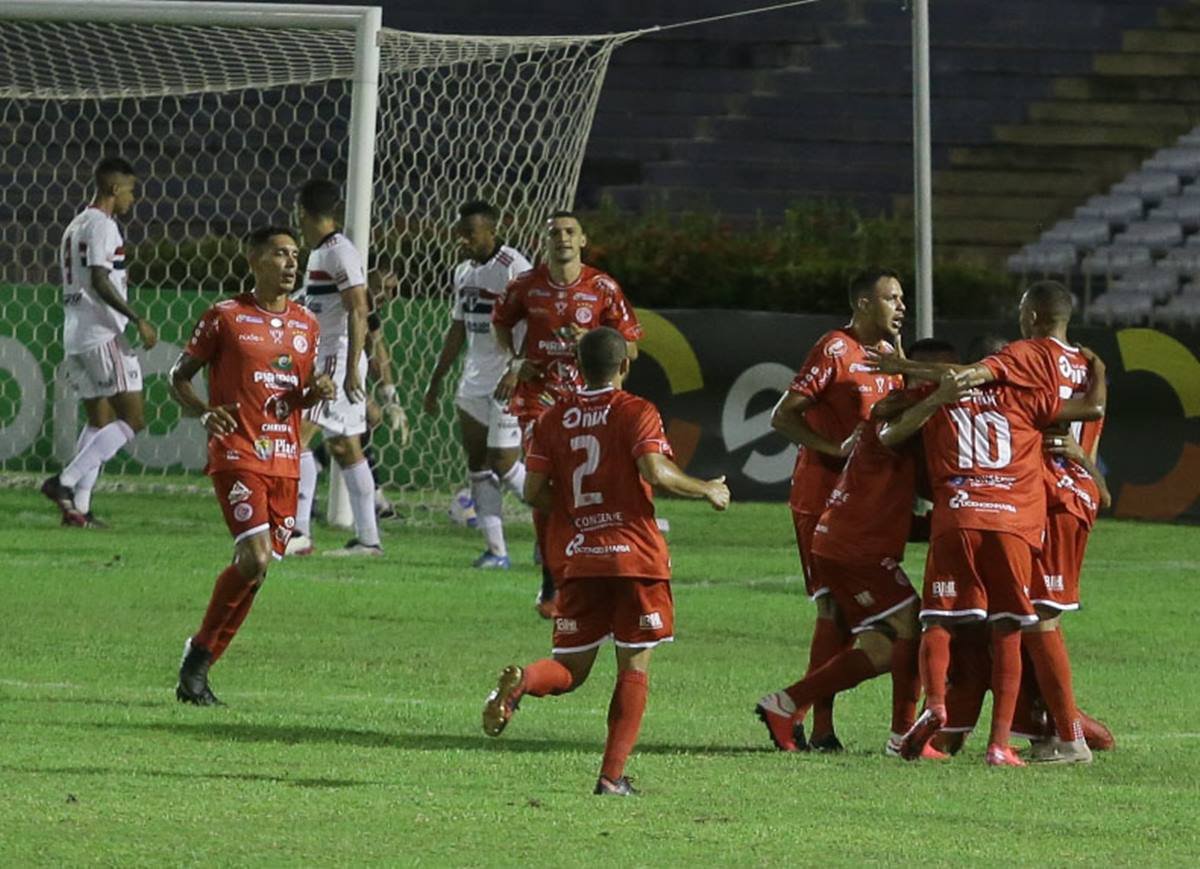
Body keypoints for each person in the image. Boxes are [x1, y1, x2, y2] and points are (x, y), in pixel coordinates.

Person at [480, 327, 730, 795]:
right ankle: (611, 777)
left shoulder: (553, 419)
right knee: (634, 665)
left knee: (570, 669)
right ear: (625, 366)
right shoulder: (637, 410)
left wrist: (581, 513)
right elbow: (654, 471)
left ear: (576, 366)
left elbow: (534, 491)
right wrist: (707, 488)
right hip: (635, 555)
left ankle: (523, 683)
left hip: (581, 556)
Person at [876, 319, 1106, 766]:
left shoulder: (943, 392)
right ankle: (1000, 744)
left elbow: (888, 424)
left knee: (939, 620)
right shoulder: (1029, 396)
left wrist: (918, 385)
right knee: (1011, 628)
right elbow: (1089, 409)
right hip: (1011, 524)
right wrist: (1098, 374)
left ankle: (936, 705)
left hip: (957, 515)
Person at [756, 339, 960, 757]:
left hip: (850, 543)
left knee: (882, 648)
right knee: (913, 626)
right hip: (855, 549)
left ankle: (786, 705)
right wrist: (939, 397)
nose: (948, 380)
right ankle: (901, 737)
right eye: (939, 372)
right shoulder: (897, 409)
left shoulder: (917, 418)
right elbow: (888, 432)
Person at [168, 226, 334, 704]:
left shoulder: (306, 324)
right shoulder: (225, 316)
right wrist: (204, 410)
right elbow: (178, 376)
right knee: (254, 557)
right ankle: (198, 662)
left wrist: (314, 393)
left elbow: (292, 398)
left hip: (285, 459)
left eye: (295, 255)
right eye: (280, 254)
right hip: (238, 451)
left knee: (257, 571)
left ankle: (199, 660)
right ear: (254, 259)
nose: (290, 263)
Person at [769, 267, 906, 751]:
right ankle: (813, 722)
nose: (900, 306)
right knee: (836, 609)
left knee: (860, 615)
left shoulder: (889, 355)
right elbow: (782, 415)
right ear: (864, 304)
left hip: (867, 506)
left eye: (902, 298)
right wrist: (833, 449)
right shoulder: (834, 348)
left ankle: (800, 713)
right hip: (821, 497)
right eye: (891, 298)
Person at [491, 211, 643, 616]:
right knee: (542, 490)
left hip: (589, 401)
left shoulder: (603, 287)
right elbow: (501, 323)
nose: (562, 238)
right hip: (539, 402)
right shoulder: (526, 286)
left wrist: (593, 340)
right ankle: (551, 584)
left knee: (589, 489)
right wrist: (515, 359)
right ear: (546, 241)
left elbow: (631, 347)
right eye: (555, 232)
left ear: (582, 241)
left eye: (569, 232)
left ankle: (598, 571)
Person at [41, 156, 158, 527]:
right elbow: (100, 279)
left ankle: (79, 509)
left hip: (75, 332)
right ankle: (65, 482)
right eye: (130, 190)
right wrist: (137, 318)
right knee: (133, 418)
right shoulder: (104, 226)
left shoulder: (75, 224)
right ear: (114, 188)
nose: (132, 199)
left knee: (99, 420)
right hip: (102, 333)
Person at [423, 201, 533, 567]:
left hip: (506, 380)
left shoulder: (515, 268)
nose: (463, 240)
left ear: (491, 230)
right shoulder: (463, 272)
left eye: (470, 233)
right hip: (472, 382)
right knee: (478, 464)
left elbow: (536, 323)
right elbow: (458, 329)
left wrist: (516, 370)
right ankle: (496, 551)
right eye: (461, 233)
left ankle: (554, 525)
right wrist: (436, 380)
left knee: (504, 461)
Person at [288, 179, 383, 557]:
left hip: (335, 358)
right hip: (330, 356)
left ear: (304, 214)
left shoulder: (338, 251)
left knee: (293, 437)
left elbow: (359, 307)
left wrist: (351, 370)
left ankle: (298, 531)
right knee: (345, 447)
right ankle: (368, 540)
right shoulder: (323, 252)